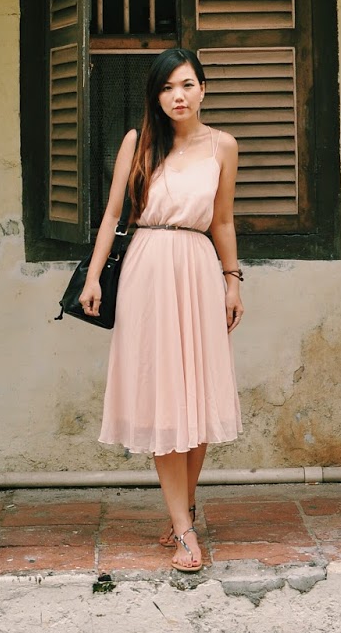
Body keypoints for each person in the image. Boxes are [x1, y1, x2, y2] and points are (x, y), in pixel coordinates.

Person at [81, 48, 244, 572]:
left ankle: (184, 511)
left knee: (196, 395)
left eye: (187, 84)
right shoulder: (139, 141)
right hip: (147, 268)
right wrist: (93, 277)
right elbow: (113, 215)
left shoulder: (223, 146)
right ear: (156, 95)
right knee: (164, 397)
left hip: (197, 267)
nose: (179, 96)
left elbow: (222, 220)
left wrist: (232, 281)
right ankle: (184, 529)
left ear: (203, 89)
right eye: (168, 87)